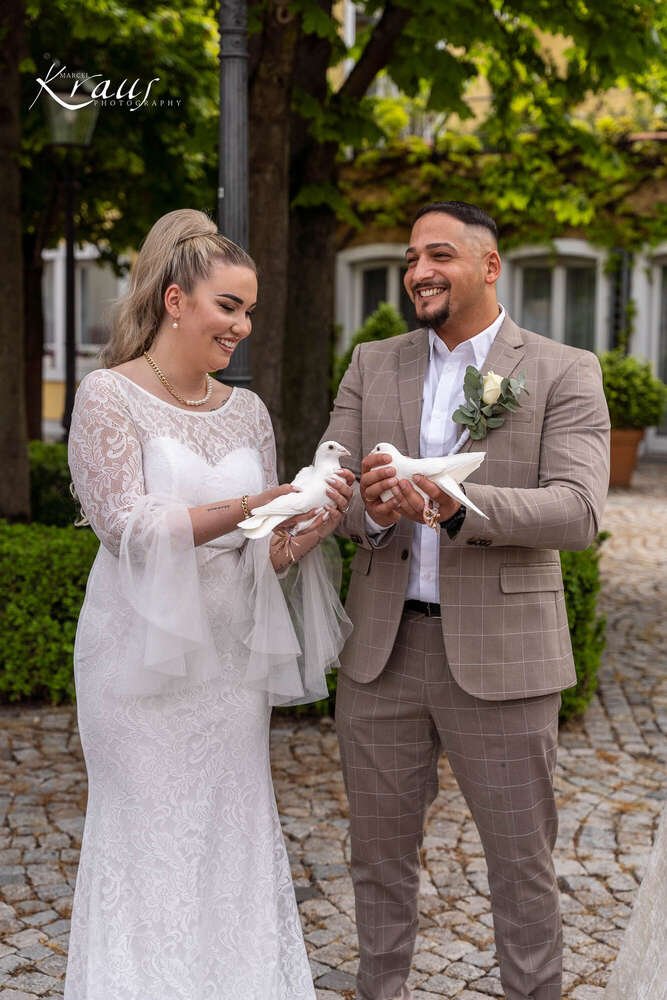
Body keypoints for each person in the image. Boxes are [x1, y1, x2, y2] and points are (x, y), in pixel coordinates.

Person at [323, 200, 610, 1000]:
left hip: (505, 659)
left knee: (520, 865)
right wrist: (370, 510)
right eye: (412, 256)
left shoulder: (561, 369)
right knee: (375, 860)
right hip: (381, 655)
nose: (418, 270)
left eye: (438, 254)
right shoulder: (370, 363)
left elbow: (579, 510)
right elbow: (331, 492)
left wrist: (459, 507)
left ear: (489, 266)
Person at [65, 208, 354, 1000]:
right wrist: (257, 501)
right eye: (229, 305)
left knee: (229, 833)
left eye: (250, 309)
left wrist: (302, 525)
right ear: (174, 301)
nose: (242, 325)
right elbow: (125, 524)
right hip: (137, 664)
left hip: (230, 667)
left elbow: (260, 550)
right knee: (144, 837)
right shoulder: (107, 397)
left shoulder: (248, 411)